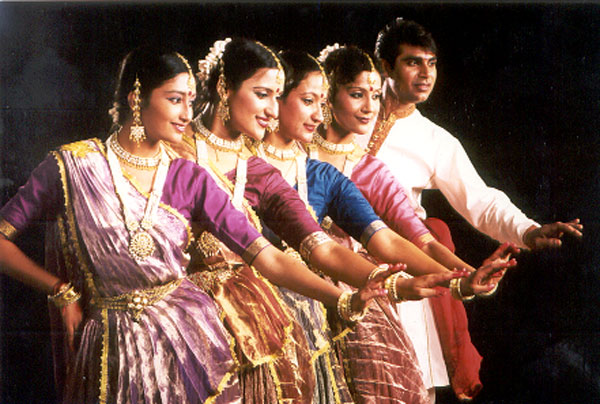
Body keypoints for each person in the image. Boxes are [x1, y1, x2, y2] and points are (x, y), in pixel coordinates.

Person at [0, 46, 383, 404]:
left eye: (190, 100)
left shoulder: (190, 178)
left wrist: (342, 299)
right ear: (137, 99)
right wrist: (60, 290)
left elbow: (267, 258)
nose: (187, 113)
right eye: (174, 99)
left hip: (185, 343)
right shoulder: (73, 166)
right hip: (107, 348)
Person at [253, 48, 517, 404]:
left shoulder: (325, 176)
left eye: (320, 102)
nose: (318, 113)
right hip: (251, 299)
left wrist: (461, 279)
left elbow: (390, 239)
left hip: (328, 290)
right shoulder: (238, 160)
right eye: (308, 101)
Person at [365, 18, 584, 401]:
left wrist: (528, 230)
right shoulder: (342, 113)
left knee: (406, 386)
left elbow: (479, 200)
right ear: (385, 67)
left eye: (432, 63)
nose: (426, 74)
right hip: (332, 257)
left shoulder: (433, 140)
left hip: (404, 261)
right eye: (413, 62)